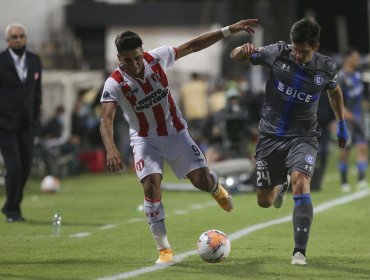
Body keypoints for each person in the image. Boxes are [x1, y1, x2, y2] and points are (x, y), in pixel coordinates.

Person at [99, 19, 258, 265]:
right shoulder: (114, 83)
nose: (135, 64)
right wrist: (111, 149)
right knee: (151, 188)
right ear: (119, 59)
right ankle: (164, 249)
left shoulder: (158, 58)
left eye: (138, 57)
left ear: (143, 53)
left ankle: (215, 188)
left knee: (201, 181)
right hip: (144, 140)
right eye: (128, 60)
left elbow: (193, 45)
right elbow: (106, 119)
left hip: (175, 134)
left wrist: (228, 31)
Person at [230, 17, 349, 265]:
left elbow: (334, 91)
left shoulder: (326, 66)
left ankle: (299, 252)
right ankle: (279, 185)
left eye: (303, 51)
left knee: (301, 183)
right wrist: (243, 50)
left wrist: (342, 124)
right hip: (270, 135)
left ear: (315, 47)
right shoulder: (277, 52)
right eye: (295, 49)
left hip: (304, 135)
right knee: (265, 201)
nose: (297, 55)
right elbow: (235, 57)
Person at [0, 23, 42, 222]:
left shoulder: (34, 60)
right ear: (8, 41)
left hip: (27, 124)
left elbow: (37, 91)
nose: (18, 40)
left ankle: (13, 206)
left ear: (25, 38)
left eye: (21, 36)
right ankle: (11, 210)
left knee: (25, 168)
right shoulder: (1, 61)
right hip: (5, 125)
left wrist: (36, 117)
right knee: (14, 167)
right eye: (14, 37)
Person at [337, 48, 368, 192]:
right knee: (345, 151)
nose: (357, 60)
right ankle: (344, 181)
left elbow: (365, 95)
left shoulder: (360, 75)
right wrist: (344, 112)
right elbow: (336, 98)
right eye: (355, 58)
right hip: (347, 119)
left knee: (362, 147)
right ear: (348, 59)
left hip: (360, 118)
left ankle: (361, 179)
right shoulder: (341, 77)